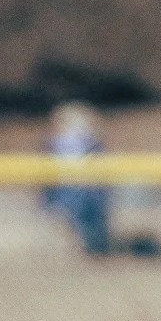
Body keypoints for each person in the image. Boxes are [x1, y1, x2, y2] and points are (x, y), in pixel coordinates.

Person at [41, 101, 111, 258]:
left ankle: (96, 249)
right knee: (73, 220)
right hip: (70, 188)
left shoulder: (91, 141)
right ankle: (87, 249)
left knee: (93, 221)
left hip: (89, 188)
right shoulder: (56, 143)